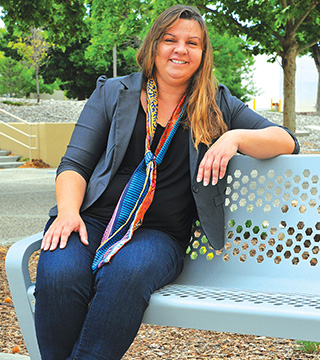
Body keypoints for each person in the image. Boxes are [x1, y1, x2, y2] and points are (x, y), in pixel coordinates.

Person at [34, 4, 299, 360]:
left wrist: (233, 138)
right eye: (170, 39)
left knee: (125, 274)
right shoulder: (114, 93)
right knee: (60, 271)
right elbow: (74, 164)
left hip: (159, 235)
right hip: (91, 218)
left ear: (203, 54)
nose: (180, 49)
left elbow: (286, 141)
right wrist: (68, 213)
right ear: (153, 46)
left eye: (193, 43)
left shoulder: (216, 103)